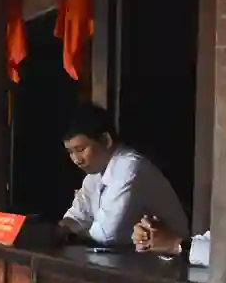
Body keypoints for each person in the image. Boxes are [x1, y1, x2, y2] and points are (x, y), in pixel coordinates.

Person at [58, 103, 188, 246]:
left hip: (170, 255)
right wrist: (70, 228)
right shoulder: (94, 175)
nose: (76, 160)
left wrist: (76, 230)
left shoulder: (128, 167)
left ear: (106, 140)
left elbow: (106, 234)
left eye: (81, 149)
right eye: (70, 152)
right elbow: (73, 219)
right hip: (132, 255)